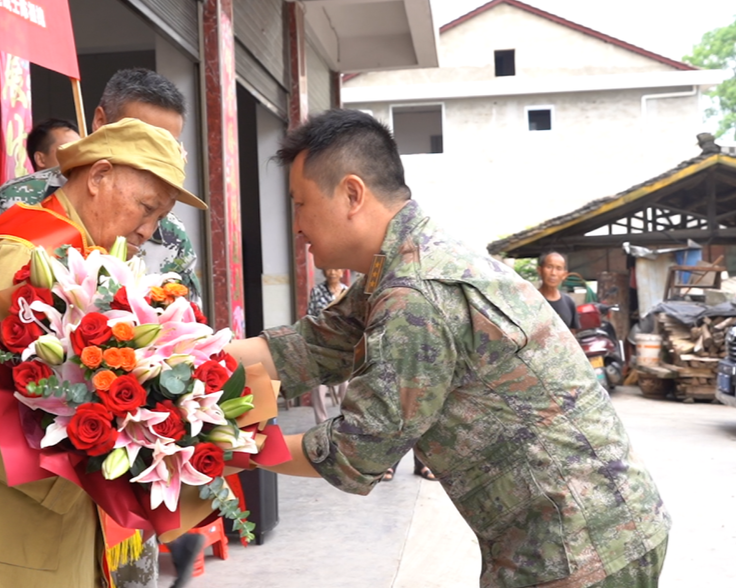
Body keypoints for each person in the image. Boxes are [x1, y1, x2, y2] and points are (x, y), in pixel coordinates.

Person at [226, 109, 670, 587]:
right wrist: (174, 365)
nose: (296, 224)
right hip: (582, 532)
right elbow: (312, 346)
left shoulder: (415, 291)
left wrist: (226, 450)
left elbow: (360, 450)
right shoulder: (405, 262)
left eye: (301, 203)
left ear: (352, 194)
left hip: (578, 548)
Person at [0, 119, 206, 588]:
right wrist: (77, 482)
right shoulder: (22, 255)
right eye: (146, 208)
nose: (149, 230)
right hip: (12, 525)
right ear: (98, 176)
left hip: (48, 525)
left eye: (159, 216)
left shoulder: (88, 255)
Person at [0, 68, 202, 307]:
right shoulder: (12, 206)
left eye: (170, 144)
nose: (160, 154)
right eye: (141, 136)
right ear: (100, 121)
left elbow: (182, 330)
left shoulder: (171, 233)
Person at [307, 268, 348, 423]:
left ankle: (345, 420)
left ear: (342, 272)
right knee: (318, 385)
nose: (332, 272)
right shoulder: (317, 291)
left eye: (337, 269)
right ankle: (321, 422)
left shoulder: (347, 291)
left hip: (343, 344)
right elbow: (310, 315)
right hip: (321, 343)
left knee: (345, 383)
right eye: (329, 269)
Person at [537, 250, 580, 331]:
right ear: (540, 270)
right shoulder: (530, 299)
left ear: (564, 275)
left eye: (558, 268)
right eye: (549, 267)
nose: (553, 273)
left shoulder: (569, 302)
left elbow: (572, 335)